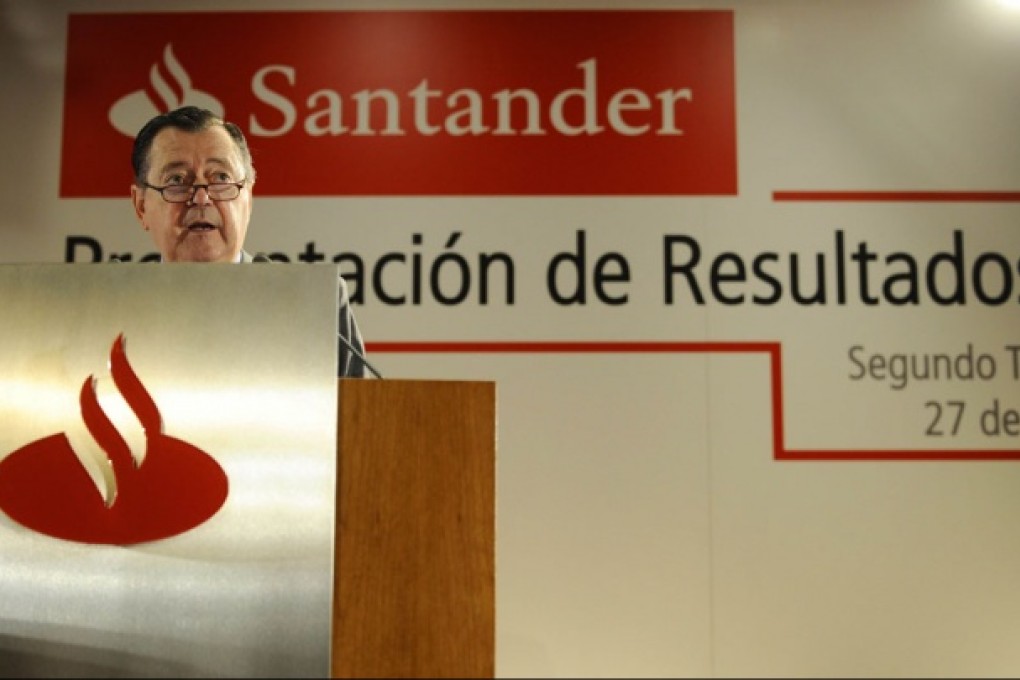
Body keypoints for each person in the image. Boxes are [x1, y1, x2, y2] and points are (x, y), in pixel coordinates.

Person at [129, 105, 371, 377]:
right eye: (176, 180)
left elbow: (356, 415)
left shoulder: (311, 303)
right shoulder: (115, 306)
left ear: (249, 197)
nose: (201, 198)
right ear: (141, 206)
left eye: (221, 178)